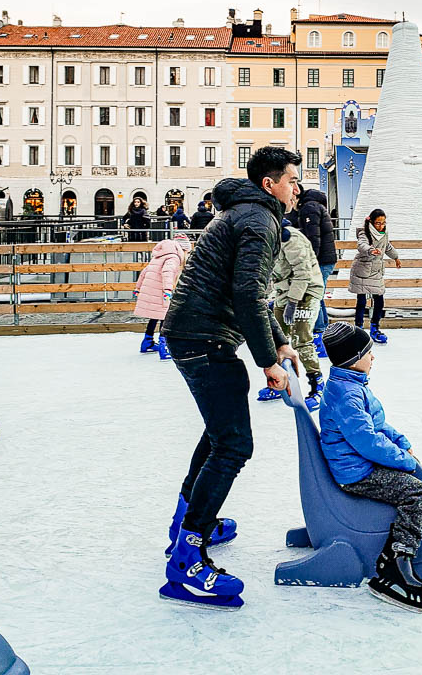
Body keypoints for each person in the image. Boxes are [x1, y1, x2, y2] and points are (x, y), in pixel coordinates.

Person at [159, 146, 301, 610]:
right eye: (291, 181)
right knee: (234, 444)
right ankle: (187, 557)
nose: (296, 189)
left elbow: (251, 295)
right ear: (269, 184)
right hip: (203, 337)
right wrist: (268, 362)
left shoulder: (246, 213)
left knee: (220, 434)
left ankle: (187, 524)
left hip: (196, 332)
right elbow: (247, 293)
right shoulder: (259, 220)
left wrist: (280, 343)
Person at [318, 321, 422, 612]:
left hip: (357, 464)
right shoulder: (348, 395)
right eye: (368, 352)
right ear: (355, 358)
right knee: (417, 494)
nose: (373, 357)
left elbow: (376, 425)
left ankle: (396, 559)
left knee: (410, 479)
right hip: (357, 473)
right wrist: (405, 461)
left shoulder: (350, 386)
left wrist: (402, 443)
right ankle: (397, 563)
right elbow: (367, 442)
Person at [256, 218, 326, 411]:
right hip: (284, 292)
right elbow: (267, 273)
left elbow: (303, 273)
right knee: (277, 339)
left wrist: (293, 302)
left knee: (301, 339)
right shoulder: (265, 239)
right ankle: (280, 382)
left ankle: (318, 385)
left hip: (307, 290)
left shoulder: (291, 238)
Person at [349, 208, 401, 344]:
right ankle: (358, 330)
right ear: (371, 222)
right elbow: (361, 245)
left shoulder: (384, 232)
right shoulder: (364, 232)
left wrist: (396, 257)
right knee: (361, 301)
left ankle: (375, 328)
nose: (381, 226)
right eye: (378, 223)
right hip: (363, 270)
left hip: (376, 271)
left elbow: (387, 246)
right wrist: (371, 250)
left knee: (379, 300)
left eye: (383, 223)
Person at [295, 185, 337, 347]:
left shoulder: (309, 208)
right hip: (326, 259)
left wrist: (310, 262)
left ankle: (319, 334)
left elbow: (313, 238)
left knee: (313, 295)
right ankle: (324, 331)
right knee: (317, 295)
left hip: (320, 260)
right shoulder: (314, 206)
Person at [133, 236, 189, 358]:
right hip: (161, 290)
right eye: (187, 252)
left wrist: (138, 288)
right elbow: (167, 273)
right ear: (183, 249)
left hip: (152, 289)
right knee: (166, 317)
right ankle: (164, 346)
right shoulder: (173, 258)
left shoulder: (160, 255)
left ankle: (147, 342)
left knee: (155, 315)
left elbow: (144, 271)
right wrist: (167, 290)